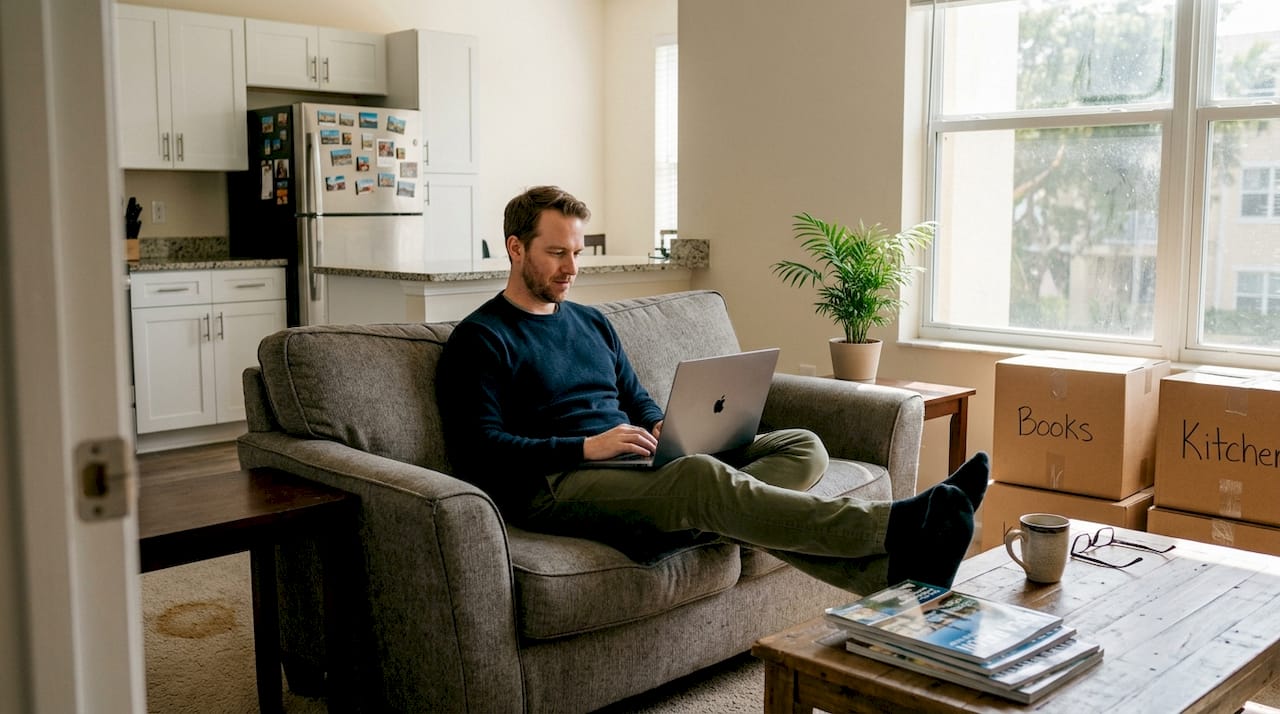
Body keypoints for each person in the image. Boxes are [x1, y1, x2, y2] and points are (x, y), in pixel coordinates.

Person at [436, 185, 988, 593]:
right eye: (557, 253)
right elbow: (479, 450)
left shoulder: (591, 322)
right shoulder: (482, 339)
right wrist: (586, 447)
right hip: (558, 485)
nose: (571, 268)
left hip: (635, 462)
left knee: (802, 446)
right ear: (515, 248)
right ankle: (898, 525)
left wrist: (662, 424)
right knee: (701, 478)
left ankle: (690, 520)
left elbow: (634, 395)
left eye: (578, 253)